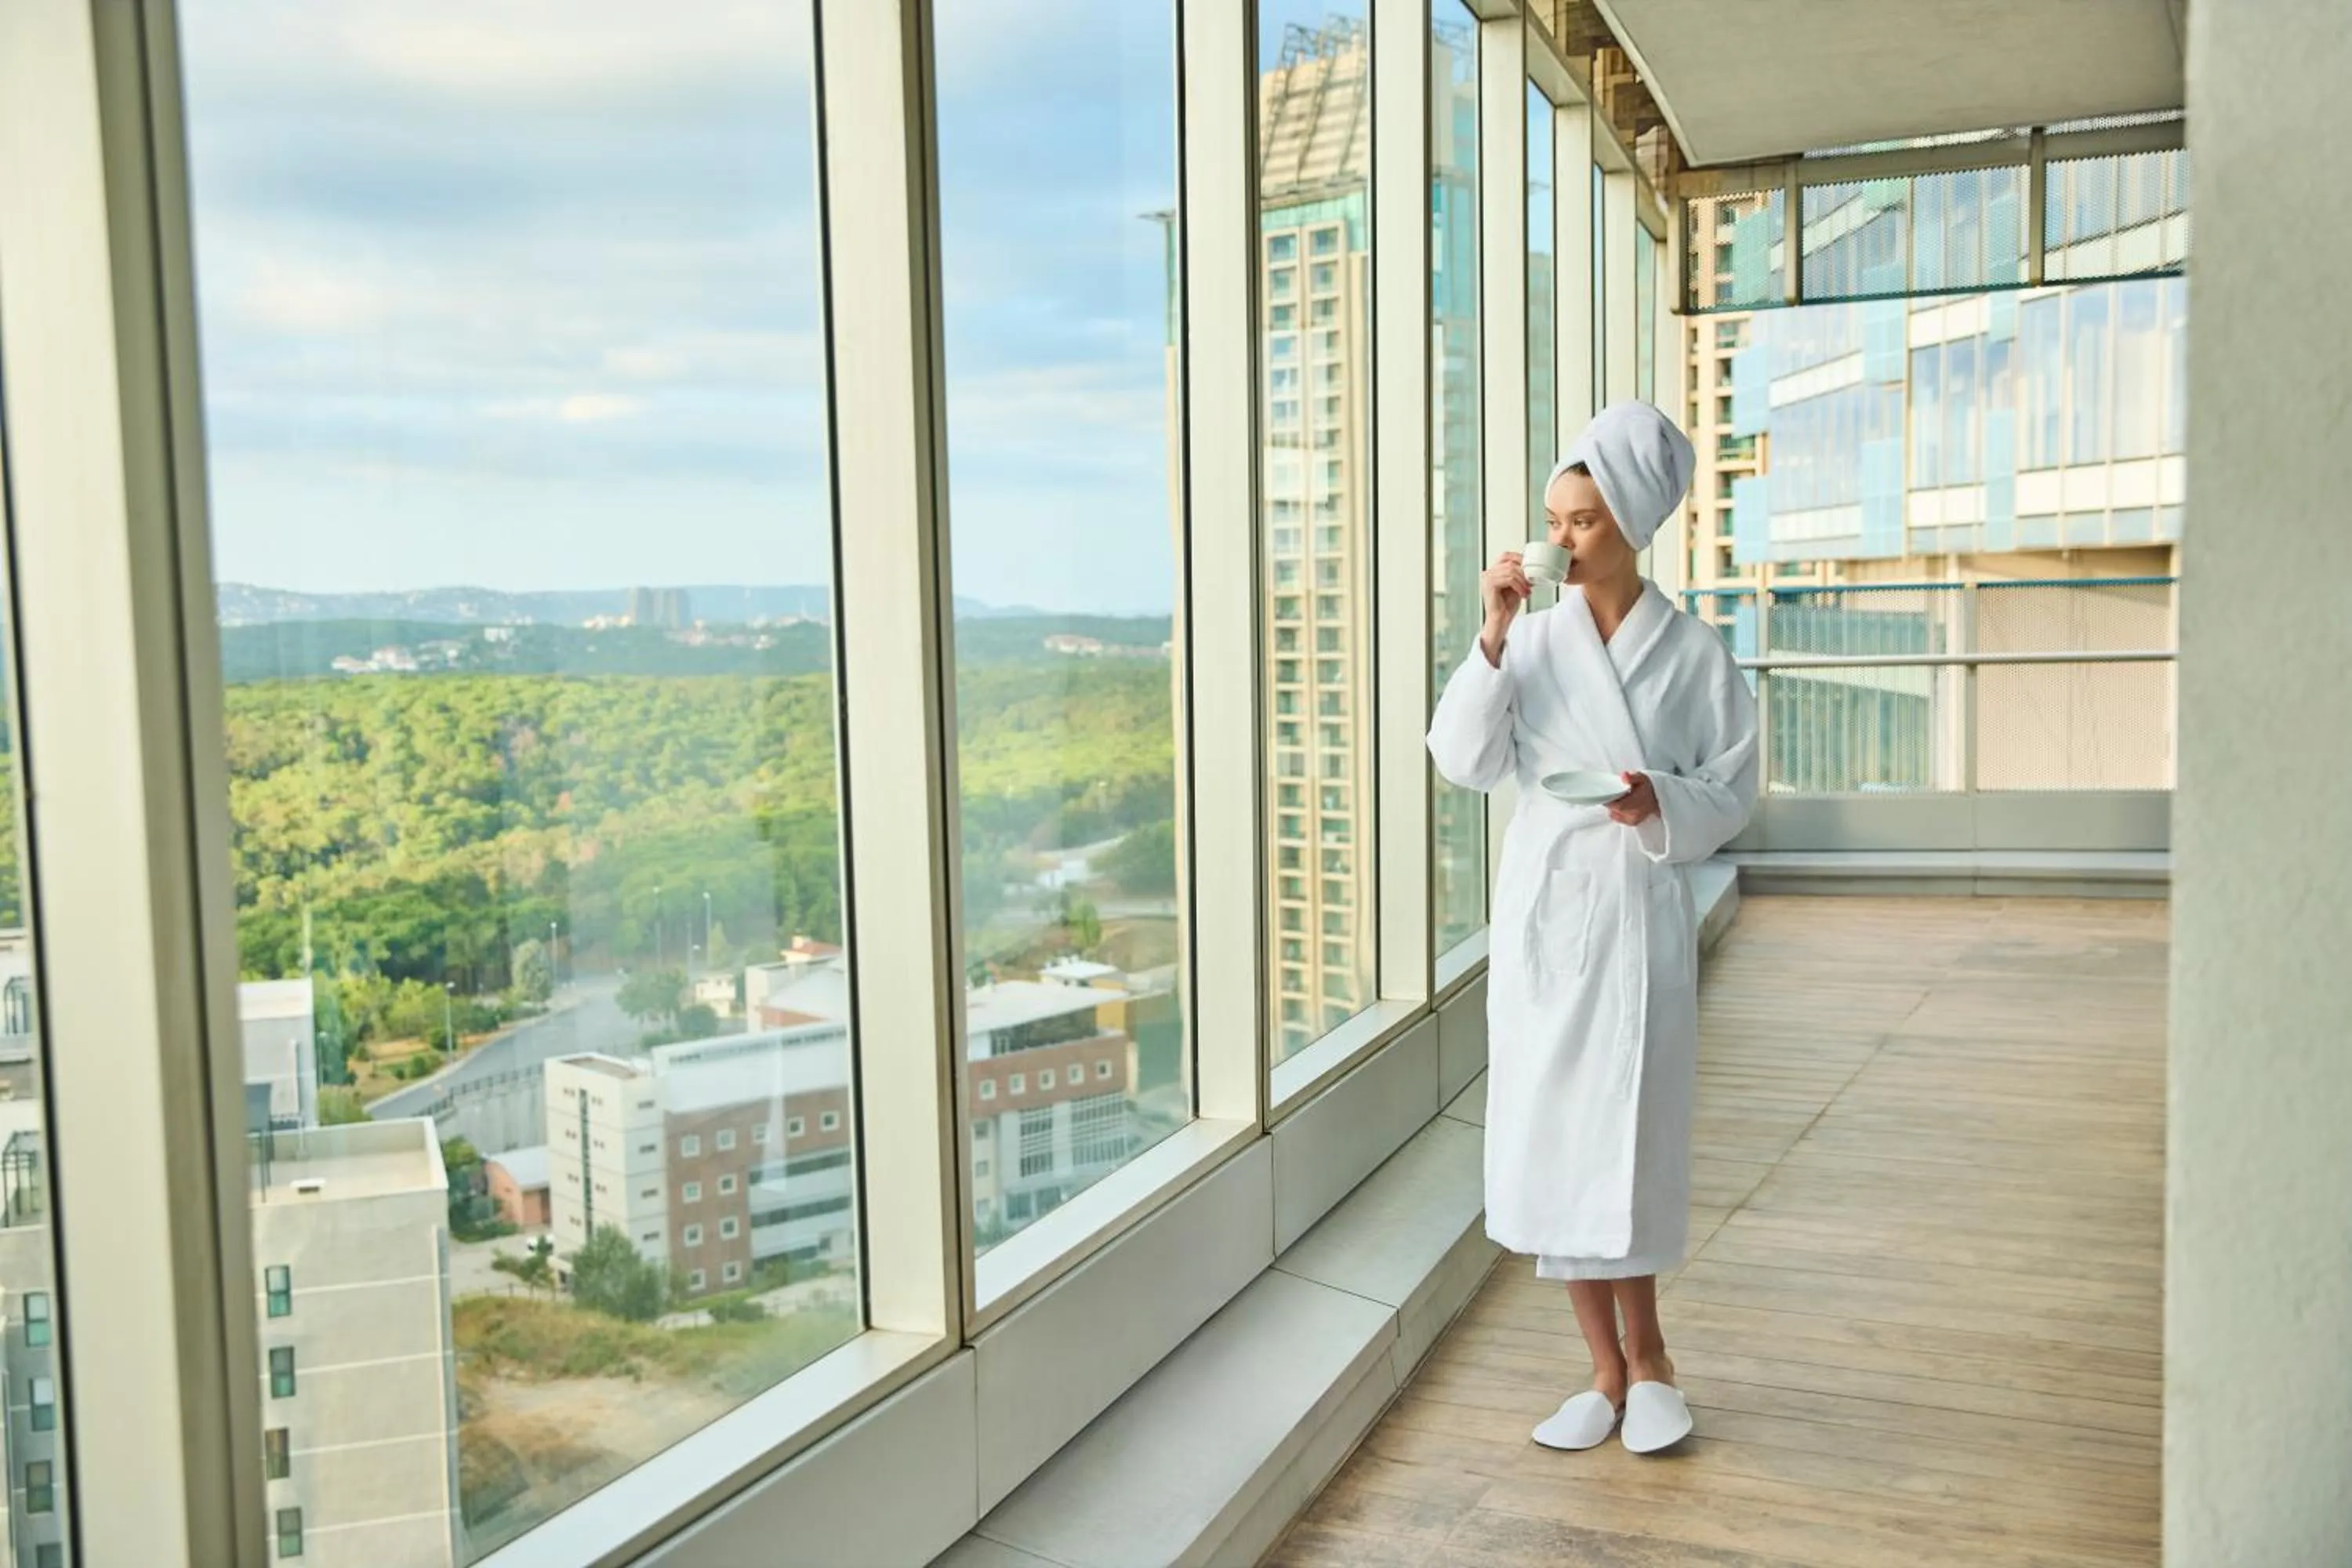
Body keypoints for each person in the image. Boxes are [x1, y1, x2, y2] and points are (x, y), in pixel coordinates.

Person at [1426, 401, 1759, 1456]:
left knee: (1635, 1132)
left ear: (1630, 523)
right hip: (1547, 916)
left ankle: (1653, 1358)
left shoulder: (1694, 653)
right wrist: (1488, 634)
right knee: (1557, 1137)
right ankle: (1603, 1373)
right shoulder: (1527, 640)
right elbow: (1463, 760)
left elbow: (1735, 788)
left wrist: (1656, 798)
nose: (1558, 538)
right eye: (1554, 519)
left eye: (1580, 522)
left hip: (1637, 909)